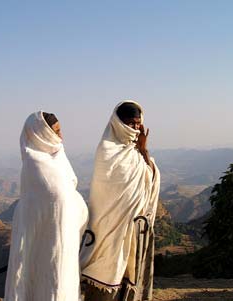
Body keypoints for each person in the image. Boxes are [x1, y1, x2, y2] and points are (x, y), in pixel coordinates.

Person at [80, 101, 160, 301]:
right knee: (104, 277)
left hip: (135, 229)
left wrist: (144, 149)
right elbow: (106, 195)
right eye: (130, 124)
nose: (134, 129)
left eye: (137, 124)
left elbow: (149, 181)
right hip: (108, 230)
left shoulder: (136, 152)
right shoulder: (107, 151)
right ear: (118, 123)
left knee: (130, 279)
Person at [4, 111, 89, 301]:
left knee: (59, 280)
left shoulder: (58, 157)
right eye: (56, 132)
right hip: (51, 238)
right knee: (47, 280)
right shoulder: (36, 165)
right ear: (41, 135)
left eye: (60, 130)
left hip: (62, 239)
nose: (61, 137)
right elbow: (58, 197)